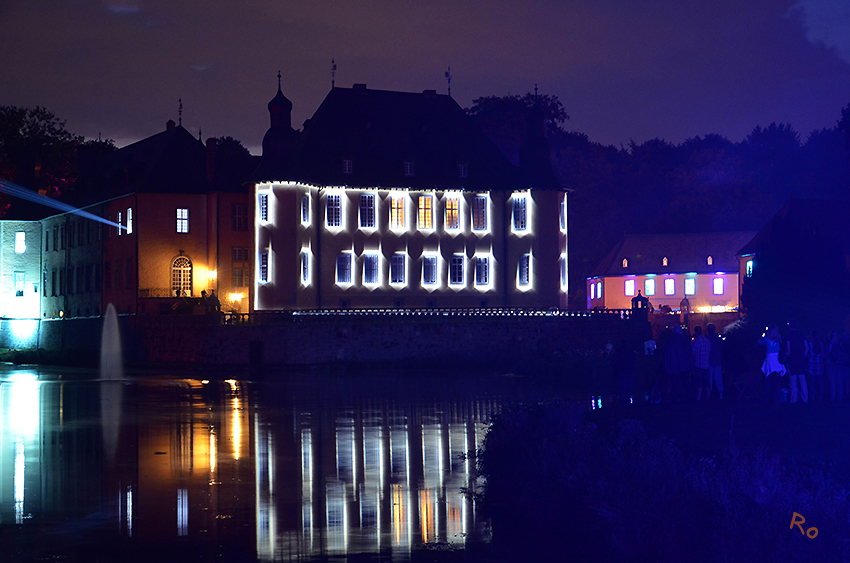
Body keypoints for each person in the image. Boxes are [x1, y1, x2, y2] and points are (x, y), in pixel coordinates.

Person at [663, 325, 692, 402]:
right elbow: (689, 354)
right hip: (684, 366)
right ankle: (687, 399)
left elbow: (667, 356)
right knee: (686, 383)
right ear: (681, 331)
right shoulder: (685, 341)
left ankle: (675, 399)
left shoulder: (670, 342)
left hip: (674, 367)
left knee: (675, 385)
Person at [759, 326, 785, 404]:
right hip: (777, 361)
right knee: (777, 381)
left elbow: (759, 342)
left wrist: (762, 333)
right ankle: (776, 399)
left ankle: (766, 399)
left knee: (768, 381)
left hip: (770, 360)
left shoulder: (766, 339)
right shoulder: (779, 339)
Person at [785, 320, 808, 403]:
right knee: (802, 379)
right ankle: (805, 398)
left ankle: (793, 399)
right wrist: (803, 357)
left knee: (793, 380)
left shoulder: (789, 335)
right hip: (801, 360)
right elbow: (806, 347)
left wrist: (787, 357)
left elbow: (788, 348)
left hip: (792, 360)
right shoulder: (802, 334)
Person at [692, 325, 710, 401]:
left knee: (699, 381)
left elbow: (693, 353)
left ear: (695, 332)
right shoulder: (707, 341)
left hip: (698, 364)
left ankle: (699, 397)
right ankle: (708, 396)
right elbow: (709, 351)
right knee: (706, 381)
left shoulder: (695, 341)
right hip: (706, 364)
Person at [806, 331, 825, 402]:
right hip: (819, 366)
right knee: (820, 383)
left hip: (811, 366)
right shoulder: (821, 345)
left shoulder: (810, 345)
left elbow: (807, 355)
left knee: (812, 383)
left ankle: (812, 397)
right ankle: (821, 397)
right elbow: (823, 355)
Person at [706, 323, 723, 400]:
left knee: (709, 378)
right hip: (717, 360)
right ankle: (720, 394)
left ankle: (709, 394)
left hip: (709, 360)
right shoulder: (718, 339)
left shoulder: (706, 339)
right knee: (718, 378)